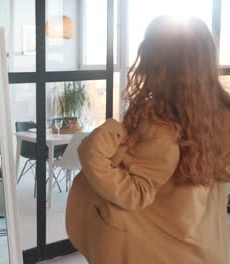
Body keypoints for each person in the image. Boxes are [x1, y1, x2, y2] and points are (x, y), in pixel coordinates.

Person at [65, 16, 230, 263]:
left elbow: (132, 191)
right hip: (205, 249)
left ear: (157, 63)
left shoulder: (160, 124)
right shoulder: (222, 114)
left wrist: (105, 138)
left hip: (151, 251)